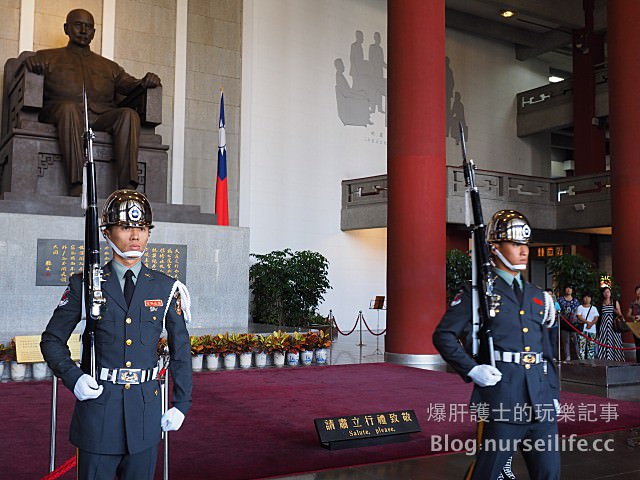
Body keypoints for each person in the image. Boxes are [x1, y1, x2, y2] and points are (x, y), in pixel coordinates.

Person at [41, 189, 192, 480]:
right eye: (126, 227)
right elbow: (51, 340)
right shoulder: (84, 284)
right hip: (99, 413)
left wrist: (182, 404)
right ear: (107, 233)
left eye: (142, 228)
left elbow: (180, 350)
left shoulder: (165, 287)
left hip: (146, 416)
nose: (136, 236)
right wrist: (74, 377)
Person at [433, 210, 559, 480]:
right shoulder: (477, 294)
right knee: (488, 474)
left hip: (541, 400)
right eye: (515, 244)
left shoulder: (538, 296)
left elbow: (546, 353)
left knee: (549, 474)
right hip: (504, 397)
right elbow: (443, 335)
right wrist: (471, 369)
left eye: (525, 245)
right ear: (495, 248)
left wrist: (554, 394)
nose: (523, 251)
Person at [25, 9, 161, 196]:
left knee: (128, 114)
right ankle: (77, 184)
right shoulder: (47, 57)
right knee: (69, 109)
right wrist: (31, 63)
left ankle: (128, 187)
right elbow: (28, 68)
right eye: (78, 25)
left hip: (100, 115)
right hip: (60, 111)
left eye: (88, 27)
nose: (83, 30)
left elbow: (130, 85)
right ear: (66, 28)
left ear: (94, 33)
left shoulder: (109, 66)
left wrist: (146, 81)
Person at [596, 286, 625, 362]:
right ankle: (604, 359)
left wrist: (614, 310)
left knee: (616, 341)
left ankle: (617, 359)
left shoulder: (615, 302)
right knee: (604, 341)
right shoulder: (601, 303)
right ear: (602, 294)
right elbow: (598, 316)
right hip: (604, 326)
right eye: (605, 292)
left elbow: (620, 314)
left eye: (608, 292)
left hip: (614, 325)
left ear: (610, 293)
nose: (606, 294)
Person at [558, 285, 581, 361]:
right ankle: (567, 357)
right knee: (566, 341)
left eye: (570, 288)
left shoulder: (576, 301)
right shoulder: (560, 300)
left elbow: (578, 311)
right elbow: (558, 311)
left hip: (574, 325)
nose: (568, 289)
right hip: (564, 324)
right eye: (567, 288)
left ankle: (578, 356)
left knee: (576, 341)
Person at [576, 292, 598, 360]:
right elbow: (579, 316)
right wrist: (587, 322)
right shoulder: (580, 307)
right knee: (581, 347)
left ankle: (590, 361)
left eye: (588, 297)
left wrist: (591, 324)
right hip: (582, 329)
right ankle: (581, 361)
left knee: (591, 347)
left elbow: (596, 318)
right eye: (585, 297)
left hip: (592, 330)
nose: (586, 299)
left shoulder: (594, 308)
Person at [545, 288, 561, 360]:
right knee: (545, 341)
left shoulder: (555, 303)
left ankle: (553, 356)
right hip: (544, 325)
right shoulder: (542, 303)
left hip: (554, 325)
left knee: (553, 341)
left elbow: (559, 312)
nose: (549, 296)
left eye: (551, 295)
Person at [626, 285, 640, 363]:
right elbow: (628, 315)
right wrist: (633, 317)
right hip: (636, 327)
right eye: (637, 291)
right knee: (637, 346)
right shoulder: (633, 303)